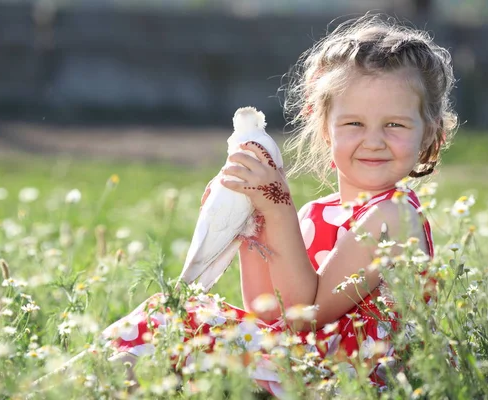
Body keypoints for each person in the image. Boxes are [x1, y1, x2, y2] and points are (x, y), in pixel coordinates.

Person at [97, 14, 458, 397]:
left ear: (430, 132)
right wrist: (251, 217)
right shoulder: (316, 214)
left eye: (395, 126)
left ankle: (69, 387)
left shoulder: (393, 215)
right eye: (353, 124)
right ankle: (72, 385)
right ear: (323, 126)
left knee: (172, 319)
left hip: (361, 382)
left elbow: (307, 315)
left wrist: (277, 207)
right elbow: (270, 313)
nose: (373, 141)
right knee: (170, 314)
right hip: (311, 366)